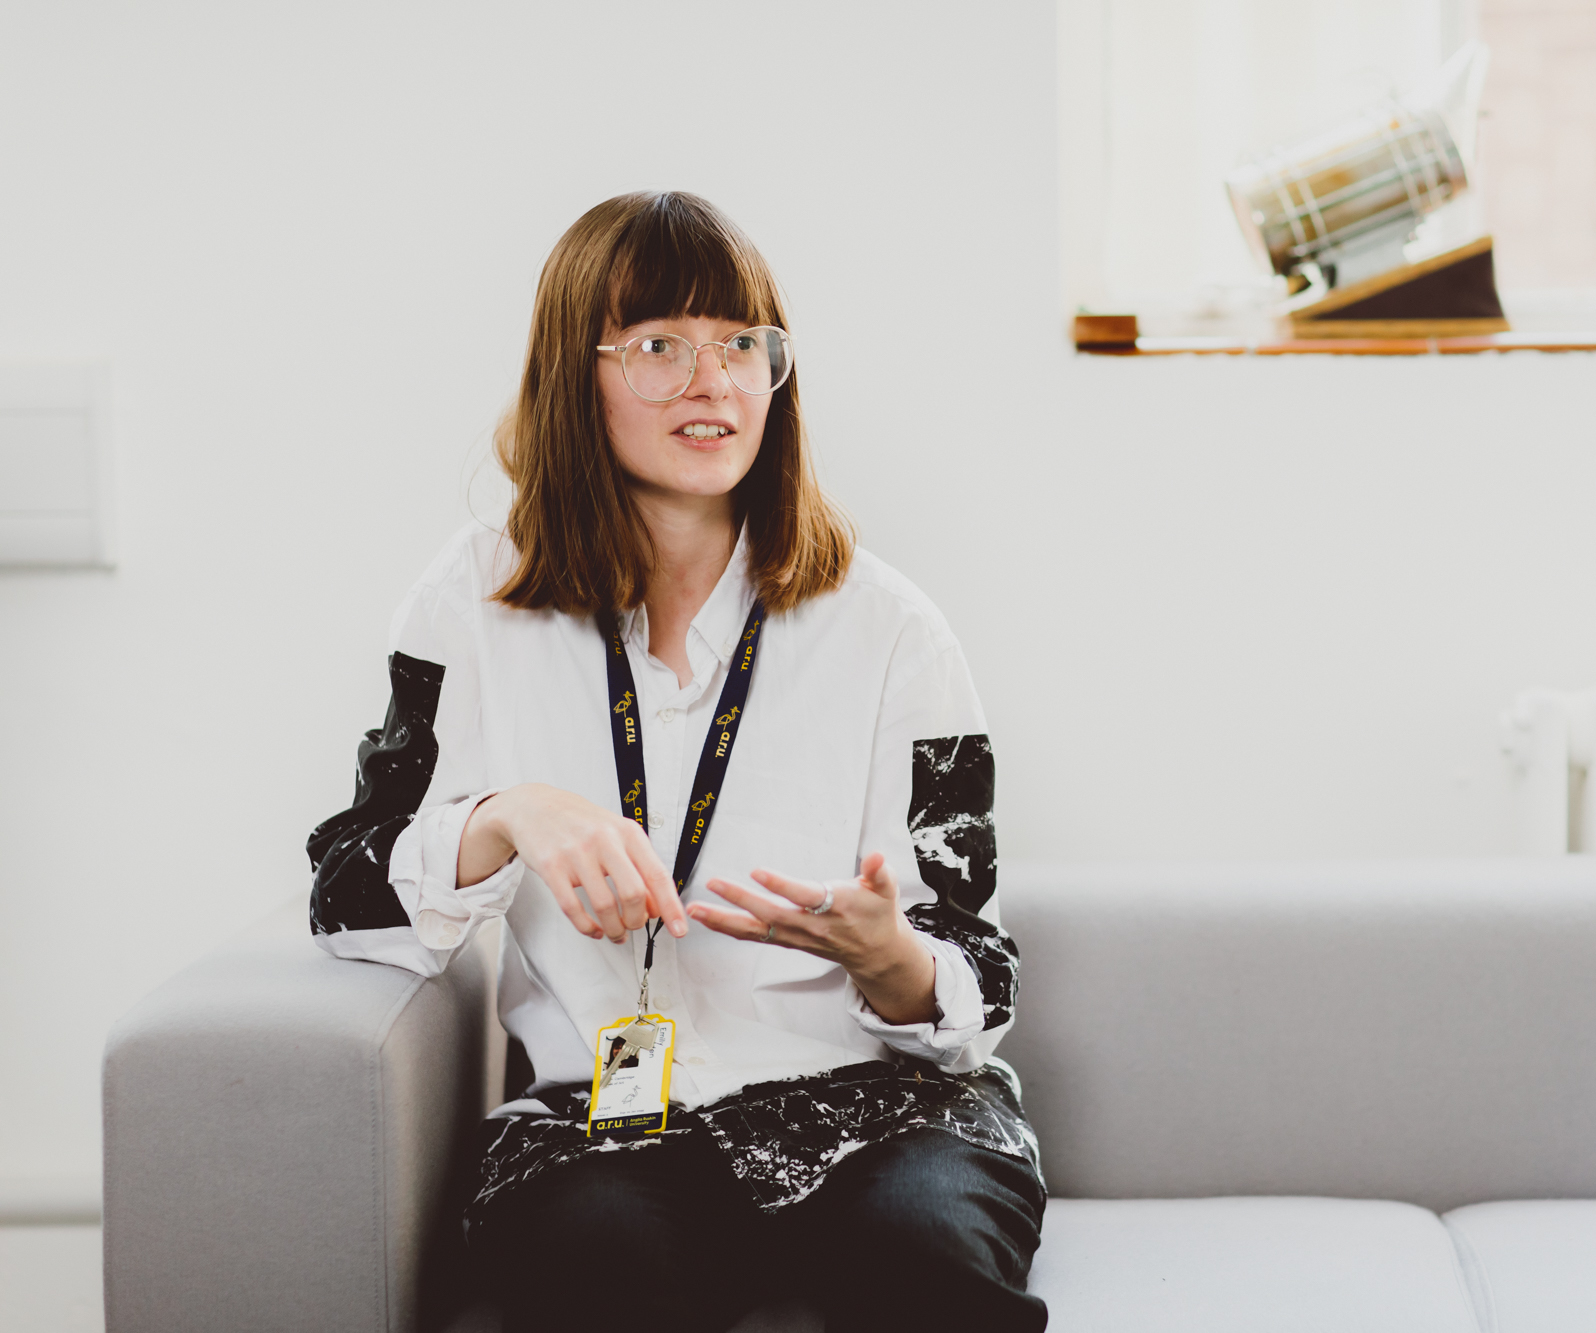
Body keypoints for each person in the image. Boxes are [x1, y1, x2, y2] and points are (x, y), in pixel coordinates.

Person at [306, 190, 1044, 1333]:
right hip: (605, 1124)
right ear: (574, 371)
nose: (714, 383)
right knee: (595, 1275)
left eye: (741, 344)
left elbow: (974, 966)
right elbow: (348, 890)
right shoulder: (474, 598)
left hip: (881, 1111)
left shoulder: (891, 626)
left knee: (922, 1258)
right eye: (660, 346)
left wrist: (887, 953)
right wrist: (509, 815)